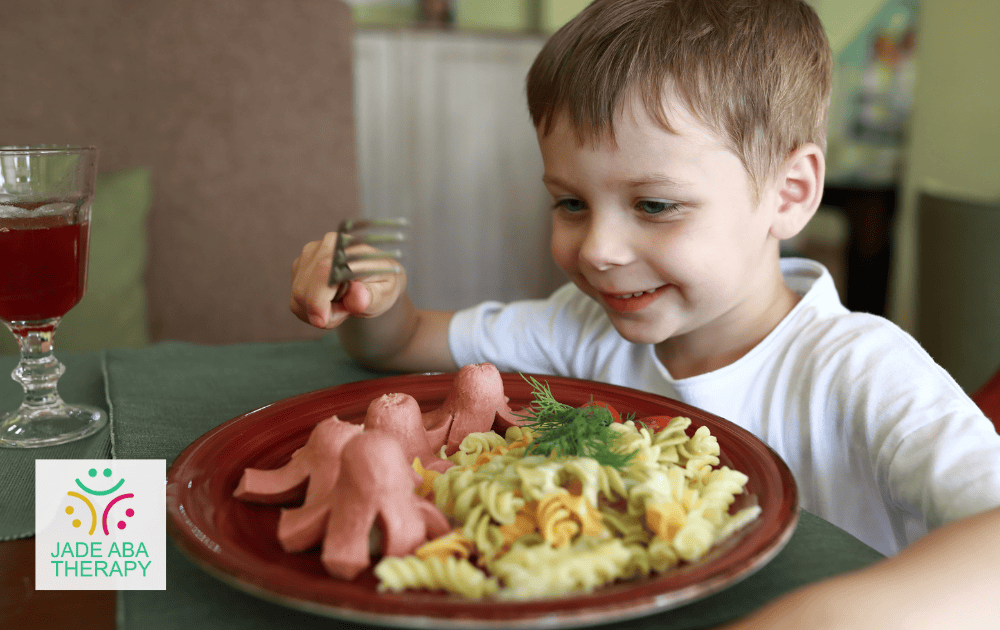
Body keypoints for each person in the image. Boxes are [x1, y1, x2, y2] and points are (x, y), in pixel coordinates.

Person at [290, 0, 1000, 627]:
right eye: (570, 202)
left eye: (654, 205)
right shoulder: (582, 326)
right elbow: (406, 342)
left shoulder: (859, 369)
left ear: (789, 193)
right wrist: (369, 303)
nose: (596, 250)